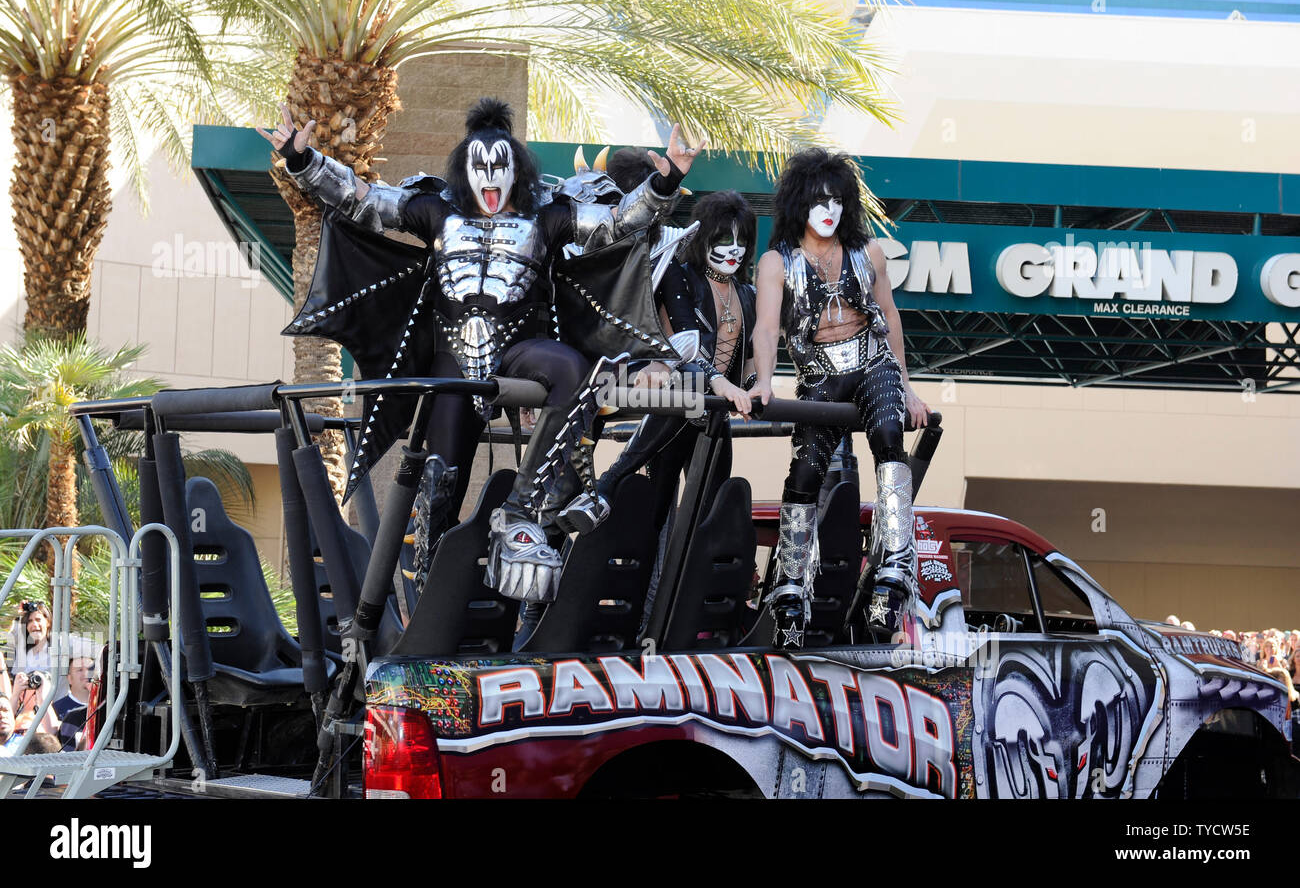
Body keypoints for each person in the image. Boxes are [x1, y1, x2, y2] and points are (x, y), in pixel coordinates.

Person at [261, 98, 705, 604]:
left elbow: (618, 222)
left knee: (573, 369)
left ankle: (520, 511)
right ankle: (428, 601)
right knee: (441, 481)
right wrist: (303, 160)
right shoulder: (435, 210)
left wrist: (666, 181)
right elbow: (364, 200)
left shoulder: (547, 216)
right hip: (450, 358)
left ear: (517, 170)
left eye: (500, 168)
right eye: (481, 168)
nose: (491, 179)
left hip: (520, 349)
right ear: (465, 169)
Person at [749, 147, 931, 648]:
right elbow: (765, 328)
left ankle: (894, 569)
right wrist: (764, 381)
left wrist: (908, 388)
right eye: (817, 200)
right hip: (819, 374)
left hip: (873, 363)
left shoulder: (868, 252)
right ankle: (790, 589)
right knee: (805, 473)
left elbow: (890, 316)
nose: (828, 210)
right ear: (798, 204)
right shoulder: (776, 262)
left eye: (836, 200)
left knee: (890, 436)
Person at [558, 189, 758, 537]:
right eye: (724, 238)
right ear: (705, 237)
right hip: (677, 403)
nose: (734, 249)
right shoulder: (681, 277)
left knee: (708, 517)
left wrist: (753, 389)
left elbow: (750, 357)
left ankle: (606, 492)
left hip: (715, 416)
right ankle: (605, 489)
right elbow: (675, 349)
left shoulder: (747, 295)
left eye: (742, 240)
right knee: (654, 514)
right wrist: (719, 382)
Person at [53, 656, 93, 751]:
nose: (86, 673)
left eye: (90, 669)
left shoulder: (105, 708)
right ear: (69, 678)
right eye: (80, 670)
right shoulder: (57, 708)